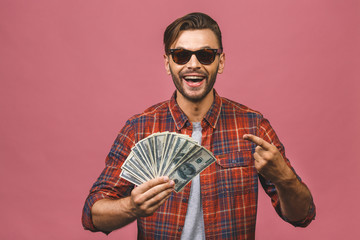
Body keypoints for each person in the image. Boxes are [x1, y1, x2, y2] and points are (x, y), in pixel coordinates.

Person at [82, 12, 316, 239]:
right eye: (181, 55)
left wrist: (284, 177)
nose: (193, 64)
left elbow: (302, 216)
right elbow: (92, 214)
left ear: (220, 61)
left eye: (205, 55)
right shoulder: (139, 128)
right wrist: (132, 206)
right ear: (167, 63)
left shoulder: (253, 127)